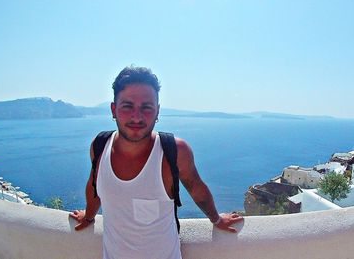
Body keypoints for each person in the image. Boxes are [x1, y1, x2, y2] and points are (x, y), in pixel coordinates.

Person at [69, 66, 243, 259]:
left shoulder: (174, 151)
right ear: (113, 110)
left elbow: (196, 187)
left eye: (147, 107)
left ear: (157, 111)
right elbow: (95, 186)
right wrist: (89, 217)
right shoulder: (100, 146)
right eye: (127, 106)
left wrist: (216, 219)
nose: (137, 116)